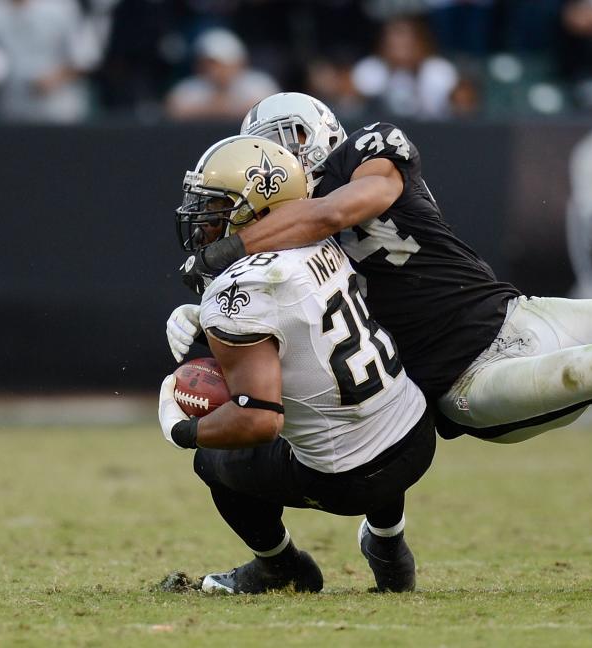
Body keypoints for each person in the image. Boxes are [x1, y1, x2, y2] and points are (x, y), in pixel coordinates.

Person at [168, 92, 592, 447]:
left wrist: (237, 246)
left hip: (513, 313)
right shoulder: (274, 248)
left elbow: (358, 203)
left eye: (283, 147)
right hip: (462, 382)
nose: (280, 166)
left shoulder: (359, 162)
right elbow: (251, 323)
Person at [158, 136, 435, 594]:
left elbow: (258, 418)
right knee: (361, 414)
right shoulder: (324, 237)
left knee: (213, 458)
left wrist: (182, 431)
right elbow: (294, 318)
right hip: (415, 434)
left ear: (259, 210)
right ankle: (389, 546)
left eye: (215, 206)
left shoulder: (239, 296)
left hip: (350, 477)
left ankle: (281, 568)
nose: (202, 219)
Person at [165, 28, 279, 122]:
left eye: (221, 64)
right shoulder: (187, 89)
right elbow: (174, 112)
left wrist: (220, 108)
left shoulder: (259, 84)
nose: (216, 70)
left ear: (239, 62)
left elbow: (273, 112)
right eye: (209, 64)